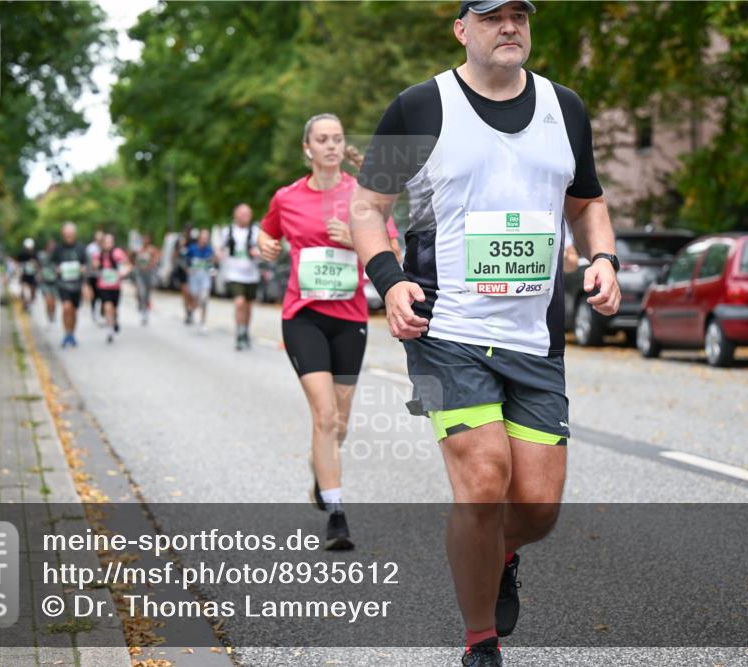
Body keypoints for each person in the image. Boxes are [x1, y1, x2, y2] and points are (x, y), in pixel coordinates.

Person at [349, 2, 621, 664]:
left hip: (536, 338)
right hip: (445, 327)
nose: (510, 27)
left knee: (538, 506)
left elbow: (586, 203)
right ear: (461, 29)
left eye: (520, 16)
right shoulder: (421, 107)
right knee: (484, 478)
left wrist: (604, 257)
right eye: (493, 16)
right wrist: (389, 279)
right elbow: (367, 206)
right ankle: (480, 642)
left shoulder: (567, 109)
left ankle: (499, 553)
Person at [258, 113, 401, 550]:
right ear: (308, 148)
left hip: (349, 318)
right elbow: (268, 237)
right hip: (303, 317)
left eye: (338, 138)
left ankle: (321, 474)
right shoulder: (287, 197)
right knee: (323, 414)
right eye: (322, 139)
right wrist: (265, 246)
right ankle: (337, 514)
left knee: (339, 422)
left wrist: (353, 240)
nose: (332, 145)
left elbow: (393, 250)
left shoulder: (363, 198)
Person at [219, 204, 260, 350]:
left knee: (248, 307)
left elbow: (262, 249)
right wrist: (218, 255)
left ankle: (245, 331)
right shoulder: (228, 231)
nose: (246, 217)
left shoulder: (255, 231)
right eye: (243, 214)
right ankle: (239, 332)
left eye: (248, 214)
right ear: (236, 215)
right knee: (239, 303)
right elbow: (220, 248)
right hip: (234, 274)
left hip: (251, 275)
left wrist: (258, 253)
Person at [51, 222, 89, 348]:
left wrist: (84, 269)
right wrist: (56, 269)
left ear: (74, 234)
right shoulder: (57, 249)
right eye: (66, 233)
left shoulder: (81, 248)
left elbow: (87, 264)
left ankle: (72, 333)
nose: (68, 236)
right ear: (63, 234)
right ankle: (66, 333)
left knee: (74, 311)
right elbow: (50, 264)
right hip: (63, 284)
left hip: (77, 285)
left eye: (70, 233)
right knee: (66, 307)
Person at [93, 233, 131, 344]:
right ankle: (109, 330)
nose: (108, 245)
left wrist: (123, 272)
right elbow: (94, 265)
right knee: (107, 306)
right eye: (106, 242)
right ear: (102, 243)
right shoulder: (98, 254)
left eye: (110, 242)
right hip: (103, 286)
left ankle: (114, 321)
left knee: (114, 309)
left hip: (115, 286)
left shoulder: (117, 253)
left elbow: (128, 265)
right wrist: (96, 264)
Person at [185, 229, 215, 332]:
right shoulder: (192, 248)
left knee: (204, 299)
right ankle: (191, 310)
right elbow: (185, 260)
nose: (204, 240)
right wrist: (187, 268)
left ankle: (203, 322)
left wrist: (212, 270)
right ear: (199, 238)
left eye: (206, 238)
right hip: (194, 277)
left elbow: (211, 263)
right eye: (203, 238)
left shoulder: (209, 250)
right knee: (196, 299)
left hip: (205, 277)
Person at [131, 234, 160, 325]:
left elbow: (156, 260)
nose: (145, 240)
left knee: (147, 294)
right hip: (139, 273)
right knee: (140, 292)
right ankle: (141, 305)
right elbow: (132, 259)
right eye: (144, 239)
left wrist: (150, 264)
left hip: (148, 274)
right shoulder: (138, 249)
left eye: (147, 239)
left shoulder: (152, 249)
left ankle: (145, 312)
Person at [84, 229, 103, 322]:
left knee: (101, 294)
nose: (99, 240)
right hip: (92, 275)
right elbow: (88, 262)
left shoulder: (104, 247)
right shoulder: (90, 248)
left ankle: (99, 312)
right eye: (98, 238)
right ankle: (93, 311)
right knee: (94, 294)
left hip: (102, 276)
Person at [39, 239, 59, 324]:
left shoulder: (58, 256)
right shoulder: (41, 255)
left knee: (54, 301)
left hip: (55, 281)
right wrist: (39, 273)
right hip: (45, 281)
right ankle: (49, 314)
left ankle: (53, 313)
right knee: (48, 300)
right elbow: (37, 265)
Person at [16, 238, 39, 310]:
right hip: (24, 275)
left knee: (33, 291)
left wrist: (35, 266)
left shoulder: (35, 254)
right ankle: (25, 303)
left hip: (32, 276)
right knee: (23, 290)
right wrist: (19, 273)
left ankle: (30, 303)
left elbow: (38, 266)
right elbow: (18, 265)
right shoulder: (21, 255)